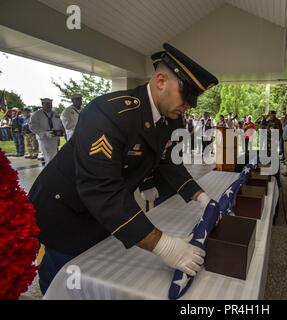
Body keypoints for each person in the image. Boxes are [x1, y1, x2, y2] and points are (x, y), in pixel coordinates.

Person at [28, 43, 219, 294]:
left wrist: (199, 195)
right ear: (161, 81)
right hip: (67, 211)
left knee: (97, 277)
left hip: (102, 213)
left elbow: (168, 161)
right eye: (186, 96)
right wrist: (164, 246)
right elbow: (101, 188)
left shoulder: (171, 119)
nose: (189, 105)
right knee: (66, 283)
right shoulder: (109, 112)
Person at [29, 98, 64, 166]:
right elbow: (32, 126)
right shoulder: (36, 114)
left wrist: (61, 130)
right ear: (42, 104)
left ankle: (53, 167)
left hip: (54, 137)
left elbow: (60, 124)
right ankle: (50, 168)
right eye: (47, 104)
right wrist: (44, 133)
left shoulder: (55, 114)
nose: (49, 106)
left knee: (54, 154)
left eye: (50, 104)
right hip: (44, 138)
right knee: (48, 155)